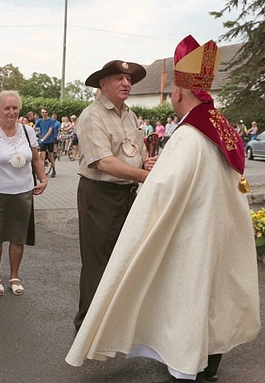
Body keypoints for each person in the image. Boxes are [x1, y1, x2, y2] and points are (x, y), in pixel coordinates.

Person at [66, 35, 261, 382]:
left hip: (191, 230)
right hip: (207, 224)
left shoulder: (188, 135)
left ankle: (188, 362)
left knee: (185, 289)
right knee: (209, 292)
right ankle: (205, 357)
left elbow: (164, 190)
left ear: (178, 93)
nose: (127, 83)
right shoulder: (219, 126)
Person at [72, 60, 154, 331]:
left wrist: (146, 165)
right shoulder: (92, 115)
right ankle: (88, 327)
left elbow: (134, 155)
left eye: (128, 79)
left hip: (127, 193)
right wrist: (145, 176)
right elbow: (103, 162)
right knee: (98, 261)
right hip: (101, 194)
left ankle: (113, 324)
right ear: (103, 84)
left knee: (124, 258)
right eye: (119, 78)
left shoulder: (129, 115)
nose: (126, 83)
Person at [0, 91, 48, 296]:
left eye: (15, 108)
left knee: (18, 237)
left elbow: (35, 159)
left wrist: (43, 179)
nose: (11, 112)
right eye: (7, 108)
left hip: (23, 192)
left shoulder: (27, 131)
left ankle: (14, 275)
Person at [35, 109, 57, 177]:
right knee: (42, 157)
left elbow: (50, 131)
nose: (44, 114)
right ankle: (42, 171)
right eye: (43, 112)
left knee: (50, 156)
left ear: (48, 113)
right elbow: (34, 128)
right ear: (41, 113)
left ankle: (53, 169)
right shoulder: (40, 121)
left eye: (45, 112)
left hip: (49, 140)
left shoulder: (51, 121)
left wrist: (43, 139)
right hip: (43, 141)